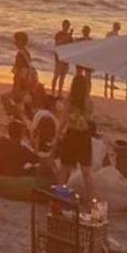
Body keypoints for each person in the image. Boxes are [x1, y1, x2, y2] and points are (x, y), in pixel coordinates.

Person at [57, 71, 95, 205]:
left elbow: (63, 121)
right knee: (86, 172)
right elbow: (89, 120)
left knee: (64, 170)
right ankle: (90, 202)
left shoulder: (69, 101)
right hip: (84, 137)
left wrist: (57, 136)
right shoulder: (89, 102)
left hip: (71, 136)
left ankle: (59, 199)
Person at [2, 32, 36, 119]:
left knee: (6, 98)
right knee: (22, 103)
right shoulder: (27, 53)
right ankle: (18, 116)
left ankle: (14, 116)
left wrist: (16, 86)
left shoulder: (20, 55)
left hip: (21, 84)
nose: (15, 42)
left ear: (22, 42)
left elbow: (20, 72)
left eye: (17, 40)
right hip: (26, 84)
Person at [50, 20, 74, 95]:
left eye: (68, 26)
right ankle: (53, 91)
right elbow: (58, 43)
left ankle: (59, 92)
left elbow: (71, 47)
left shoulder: (70, 36)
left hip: (66, 58)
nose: (67, 27)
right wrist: (68, 36)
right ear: (63, 26)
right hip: (59, 57)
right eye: (66, 26)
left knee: (63, 77)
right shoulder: (59, 34)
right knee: (56, 75)